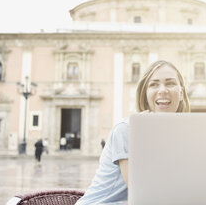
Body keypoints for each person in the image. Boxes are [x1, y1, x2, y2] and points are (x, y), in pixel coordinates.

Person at [75, 60, 190, 205]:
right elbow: (142, 191)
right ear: (145, 94)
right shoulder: (126, 129)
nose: (162, 90)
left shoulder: (178, 133)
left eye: (170, 83)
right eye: (154, 84)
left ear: (181, 93)